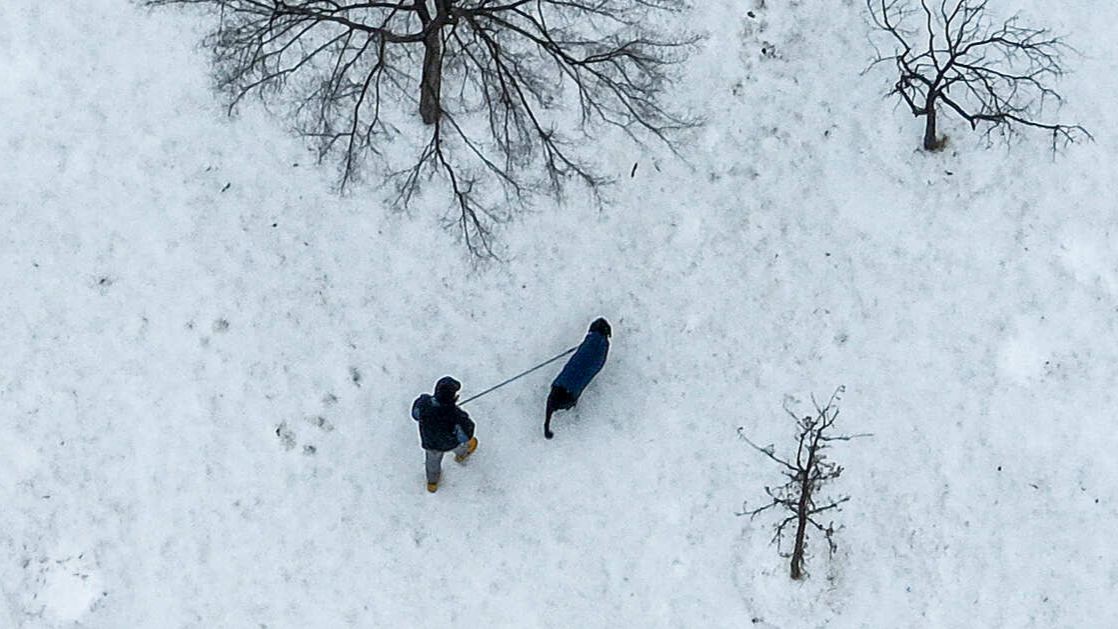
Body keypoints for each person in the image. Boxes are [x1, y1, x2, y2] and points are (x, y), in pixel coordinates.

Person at [545, 317, 612, 439]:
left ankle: (550, 421)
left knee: (555, 400)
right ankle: (569, 414)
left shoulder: (592, 340)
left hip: (560, 387)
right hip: (569, 393)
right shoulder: (603, 346)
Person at [412, 376, 478, 493]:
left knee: (432, 462)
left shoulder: (424, 403)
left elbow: (415, 414)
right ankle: (462, 454)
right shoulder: (456, 416)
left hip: (430, 442)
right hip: (448, 443)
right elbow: (464, 436)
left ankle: (432, 482)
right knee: (460, 446)